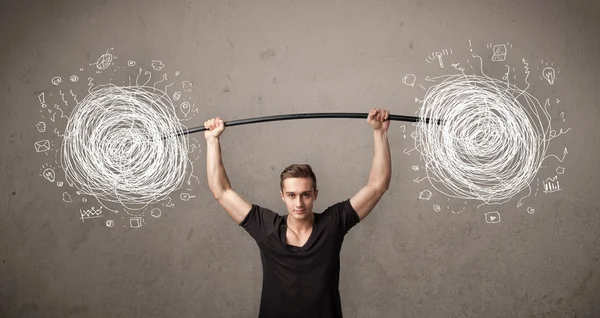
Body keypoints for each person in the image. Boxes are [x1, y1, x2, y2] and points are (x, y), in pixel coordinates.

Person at [204, 108, 392, 318]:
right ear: (282, 196)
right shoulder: (266, 227)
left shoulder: (332, 224)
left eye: (305, 195)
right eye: (292, 195)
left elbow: (377, 185)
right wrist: (212, 141)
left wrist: (380, 133)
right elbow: (221, 191)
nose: (299, 203)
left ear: (315, 194)